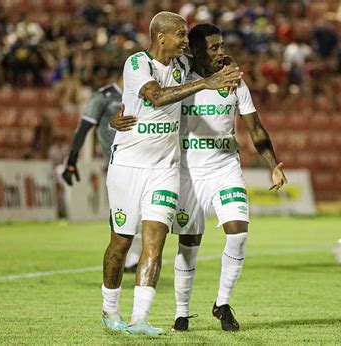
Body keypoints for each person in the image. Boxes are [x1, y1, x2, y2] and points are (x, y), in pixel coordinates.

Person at [112, 23, 287, 333]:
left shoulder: (234, 82)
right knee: (188, 244)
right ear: (194, 51)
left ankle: (222, 303)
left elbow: (255, 128)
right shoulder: (180, 78)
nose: (221, 52)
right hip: (187, 172)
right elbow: (149, 101)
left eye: (223, 46)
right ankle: (182, 313)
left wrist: (272, 164)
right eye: (214, 47)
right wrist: (116, 119)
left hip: (224, 168)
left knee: (238, 232)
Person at [103, 12, 241, 336]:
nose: (184, 41)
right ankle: (110, 311)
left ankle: (139, 319)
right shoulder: (138, 64)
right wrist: (205, 82)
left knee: (156, 241)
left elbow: (210, 63)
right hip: (128, 165)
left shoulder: (182, 66)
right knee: (121, 242)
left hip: (165, 169)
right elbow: (156, 96)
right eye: (180, 35)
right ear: (160, 37)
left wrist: (224, 63)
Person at [61, 69, 141, 273]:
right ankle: (126, 257)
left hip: (144, 162)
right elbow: (84, 128)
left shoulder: (143, 94)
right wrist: (71, 160)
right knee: (125, 213)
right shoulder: (103, 96)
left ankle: (133, 259)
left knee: (143, 211)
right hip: (116, 164)